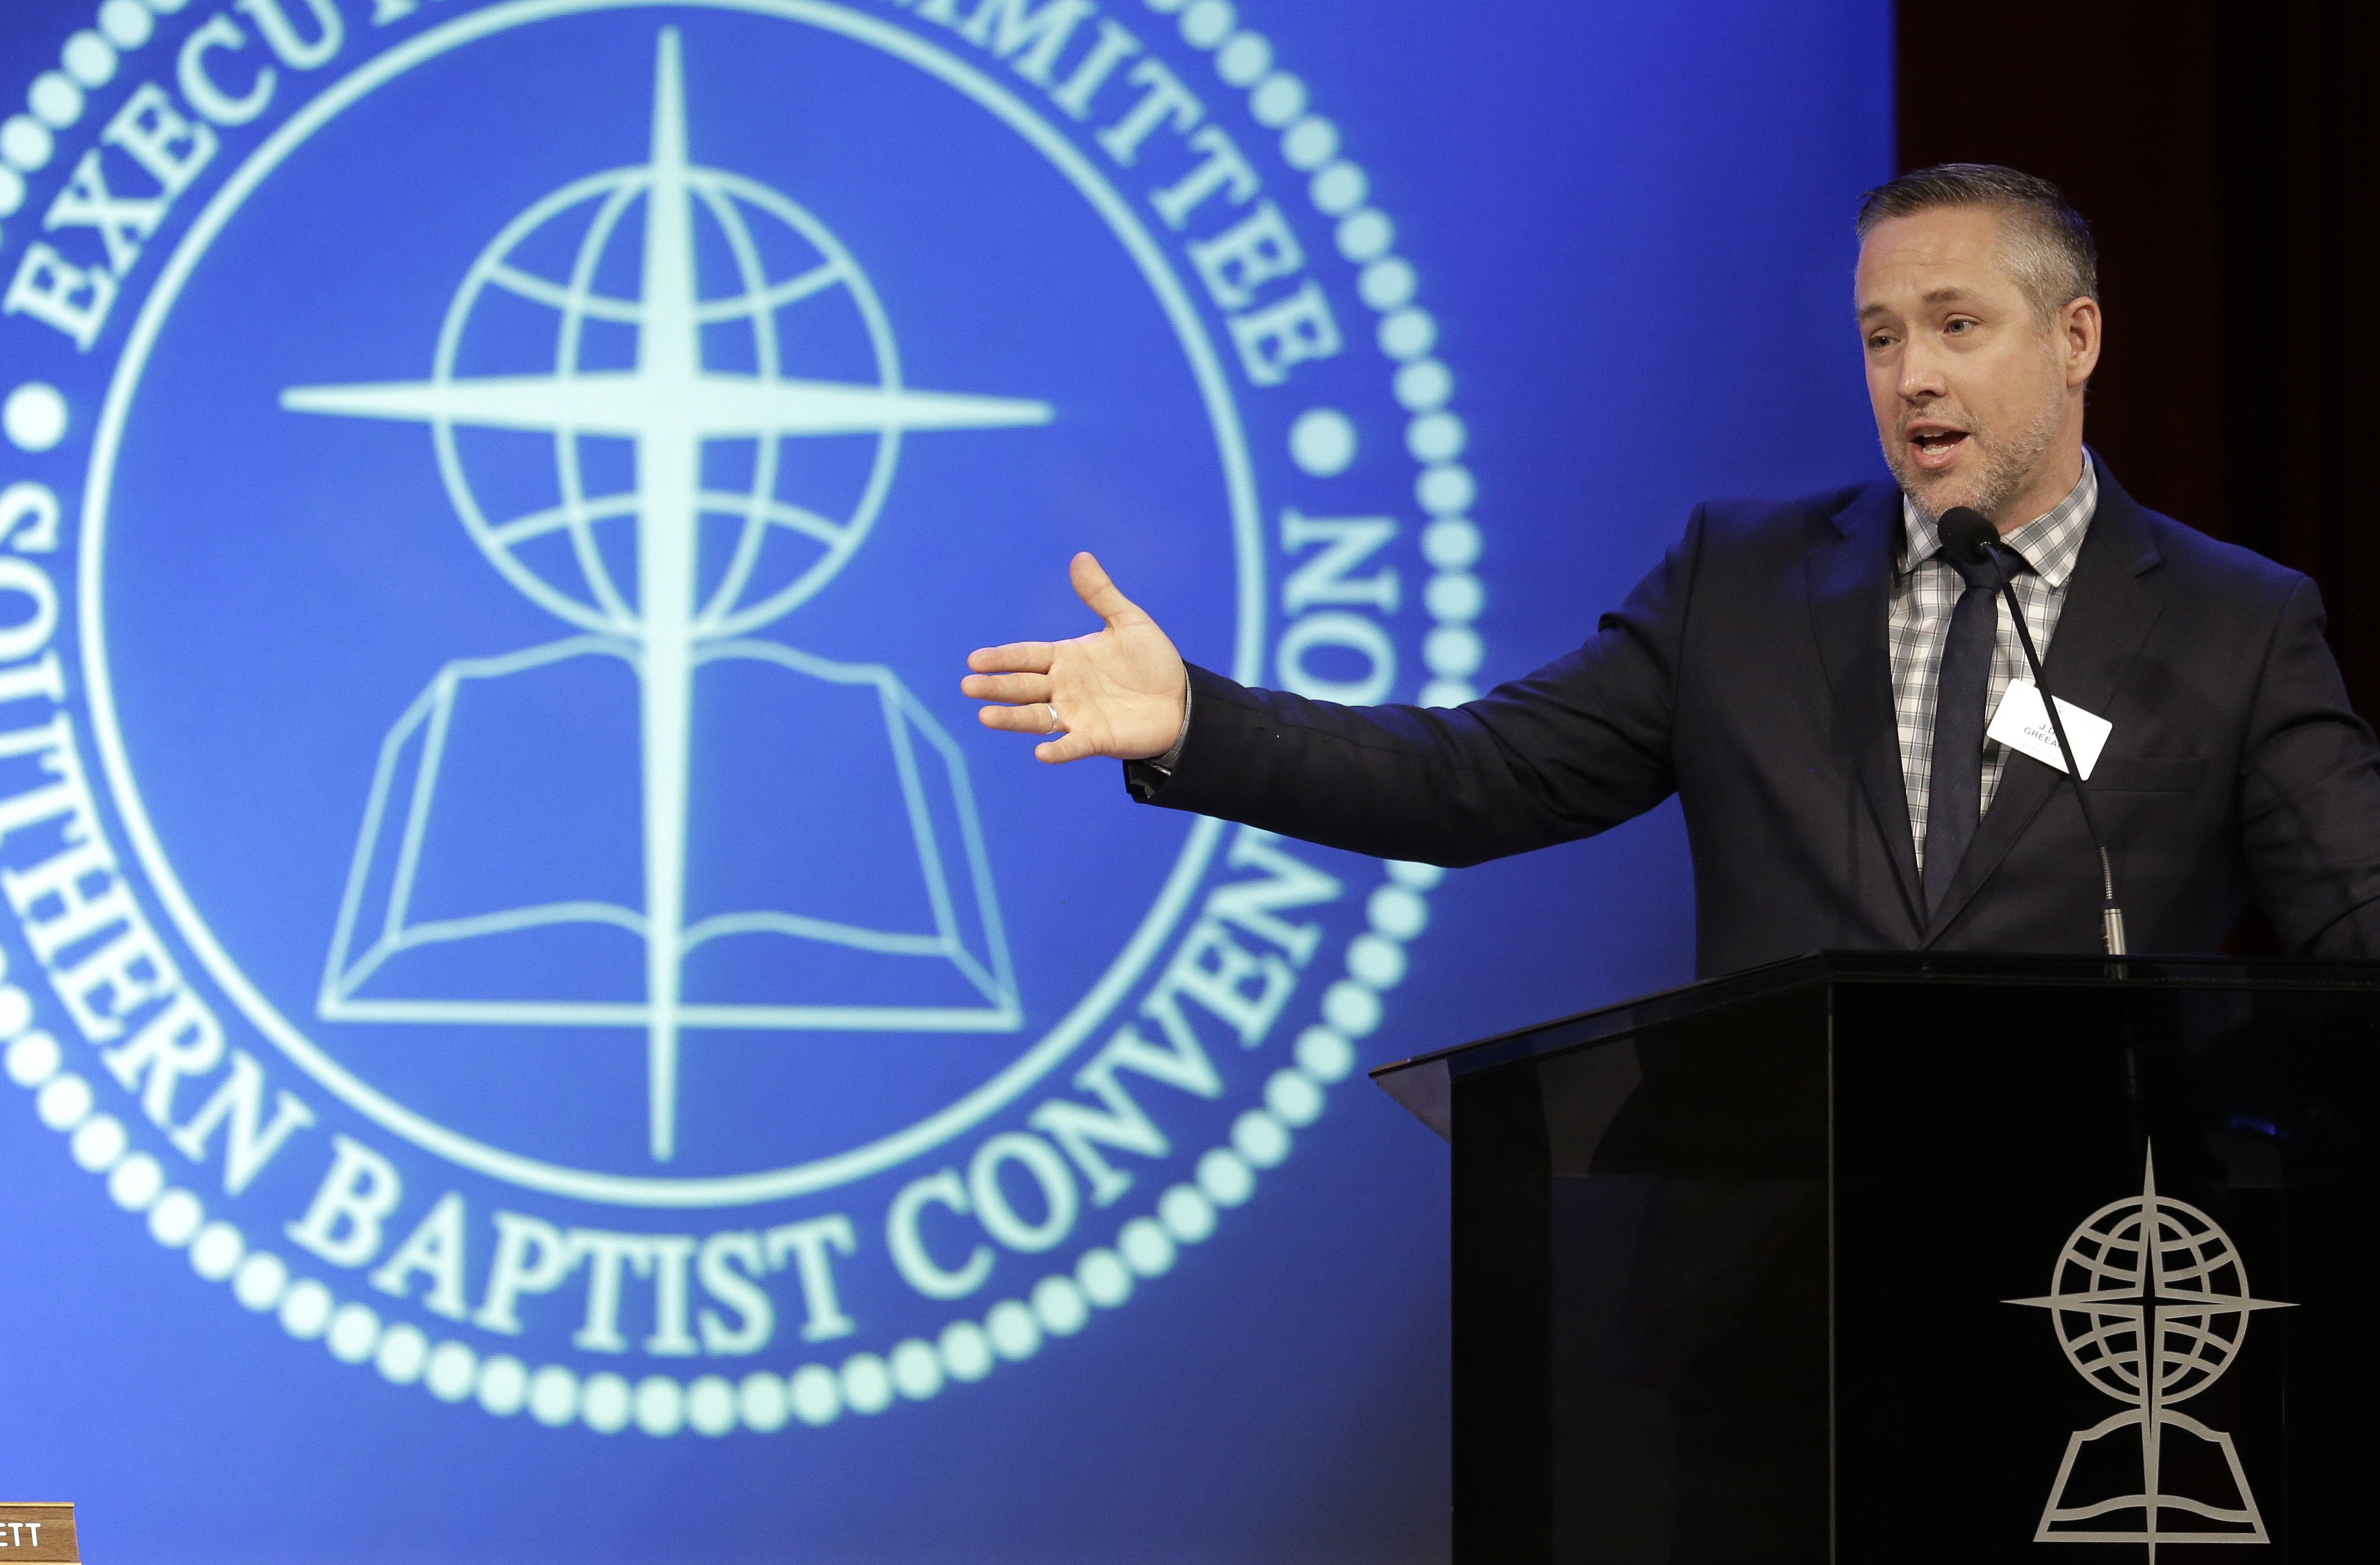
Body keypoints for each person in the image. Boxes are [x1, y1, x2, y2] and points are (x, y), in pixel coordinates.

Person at [958, 165, 2380, 974]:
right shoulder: (1741, 585)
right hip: (1771, 1314)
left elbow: (2354, 936)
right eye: (1882, 336)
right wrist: (1198, 720)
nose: (1912, 376)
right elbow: (1475, 781)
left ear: (2076, 340)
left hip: (2106, 1306)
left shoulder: (2236, 627)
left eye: (1958, 326)